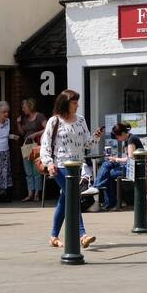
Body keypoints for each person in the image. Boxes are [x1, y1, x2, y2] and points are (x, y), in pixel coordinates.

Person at [39, 89, 101, 249]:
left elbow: (87, 144)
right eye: (74, 103)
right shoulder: (54, 121)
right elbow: (45, 144)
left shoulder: (80, 120)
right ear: (65, 103)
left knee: (65, 200)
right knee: (73, 197)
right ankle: (82, 235)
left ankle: (53, 237)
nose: (77, 105)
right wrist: (49, 163)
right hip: (60, 167)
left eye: (77, 102)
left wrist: (95, 137)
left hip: (77, 166)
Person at [86, 123, 144, 212]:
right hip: (129, 166)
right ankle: (106, 198)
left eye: (117, 137)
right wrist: (114, 159)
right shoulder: (128, 139)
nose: (118, 140)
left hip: (133, 168)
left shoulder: (131, 139)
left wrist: (116, 159)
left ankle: (99, 190)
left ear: (122, 133)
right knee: (107, 166)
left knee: (107, 173)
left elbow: (130, 159)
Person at [16, 99, 47, 202]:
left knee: (36, 171)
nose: (23, 109)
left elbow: (47, 128)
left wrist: (35, 134)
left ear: (30, 107)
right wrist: (19, 123)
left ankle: (37, 194)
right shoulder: (25, 118)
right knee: (28, 172)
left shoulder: (39, 116)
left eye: (24, 107)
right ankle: (30, 193)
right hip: (26, 147)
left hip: (36, 146)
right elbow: (22, 133)